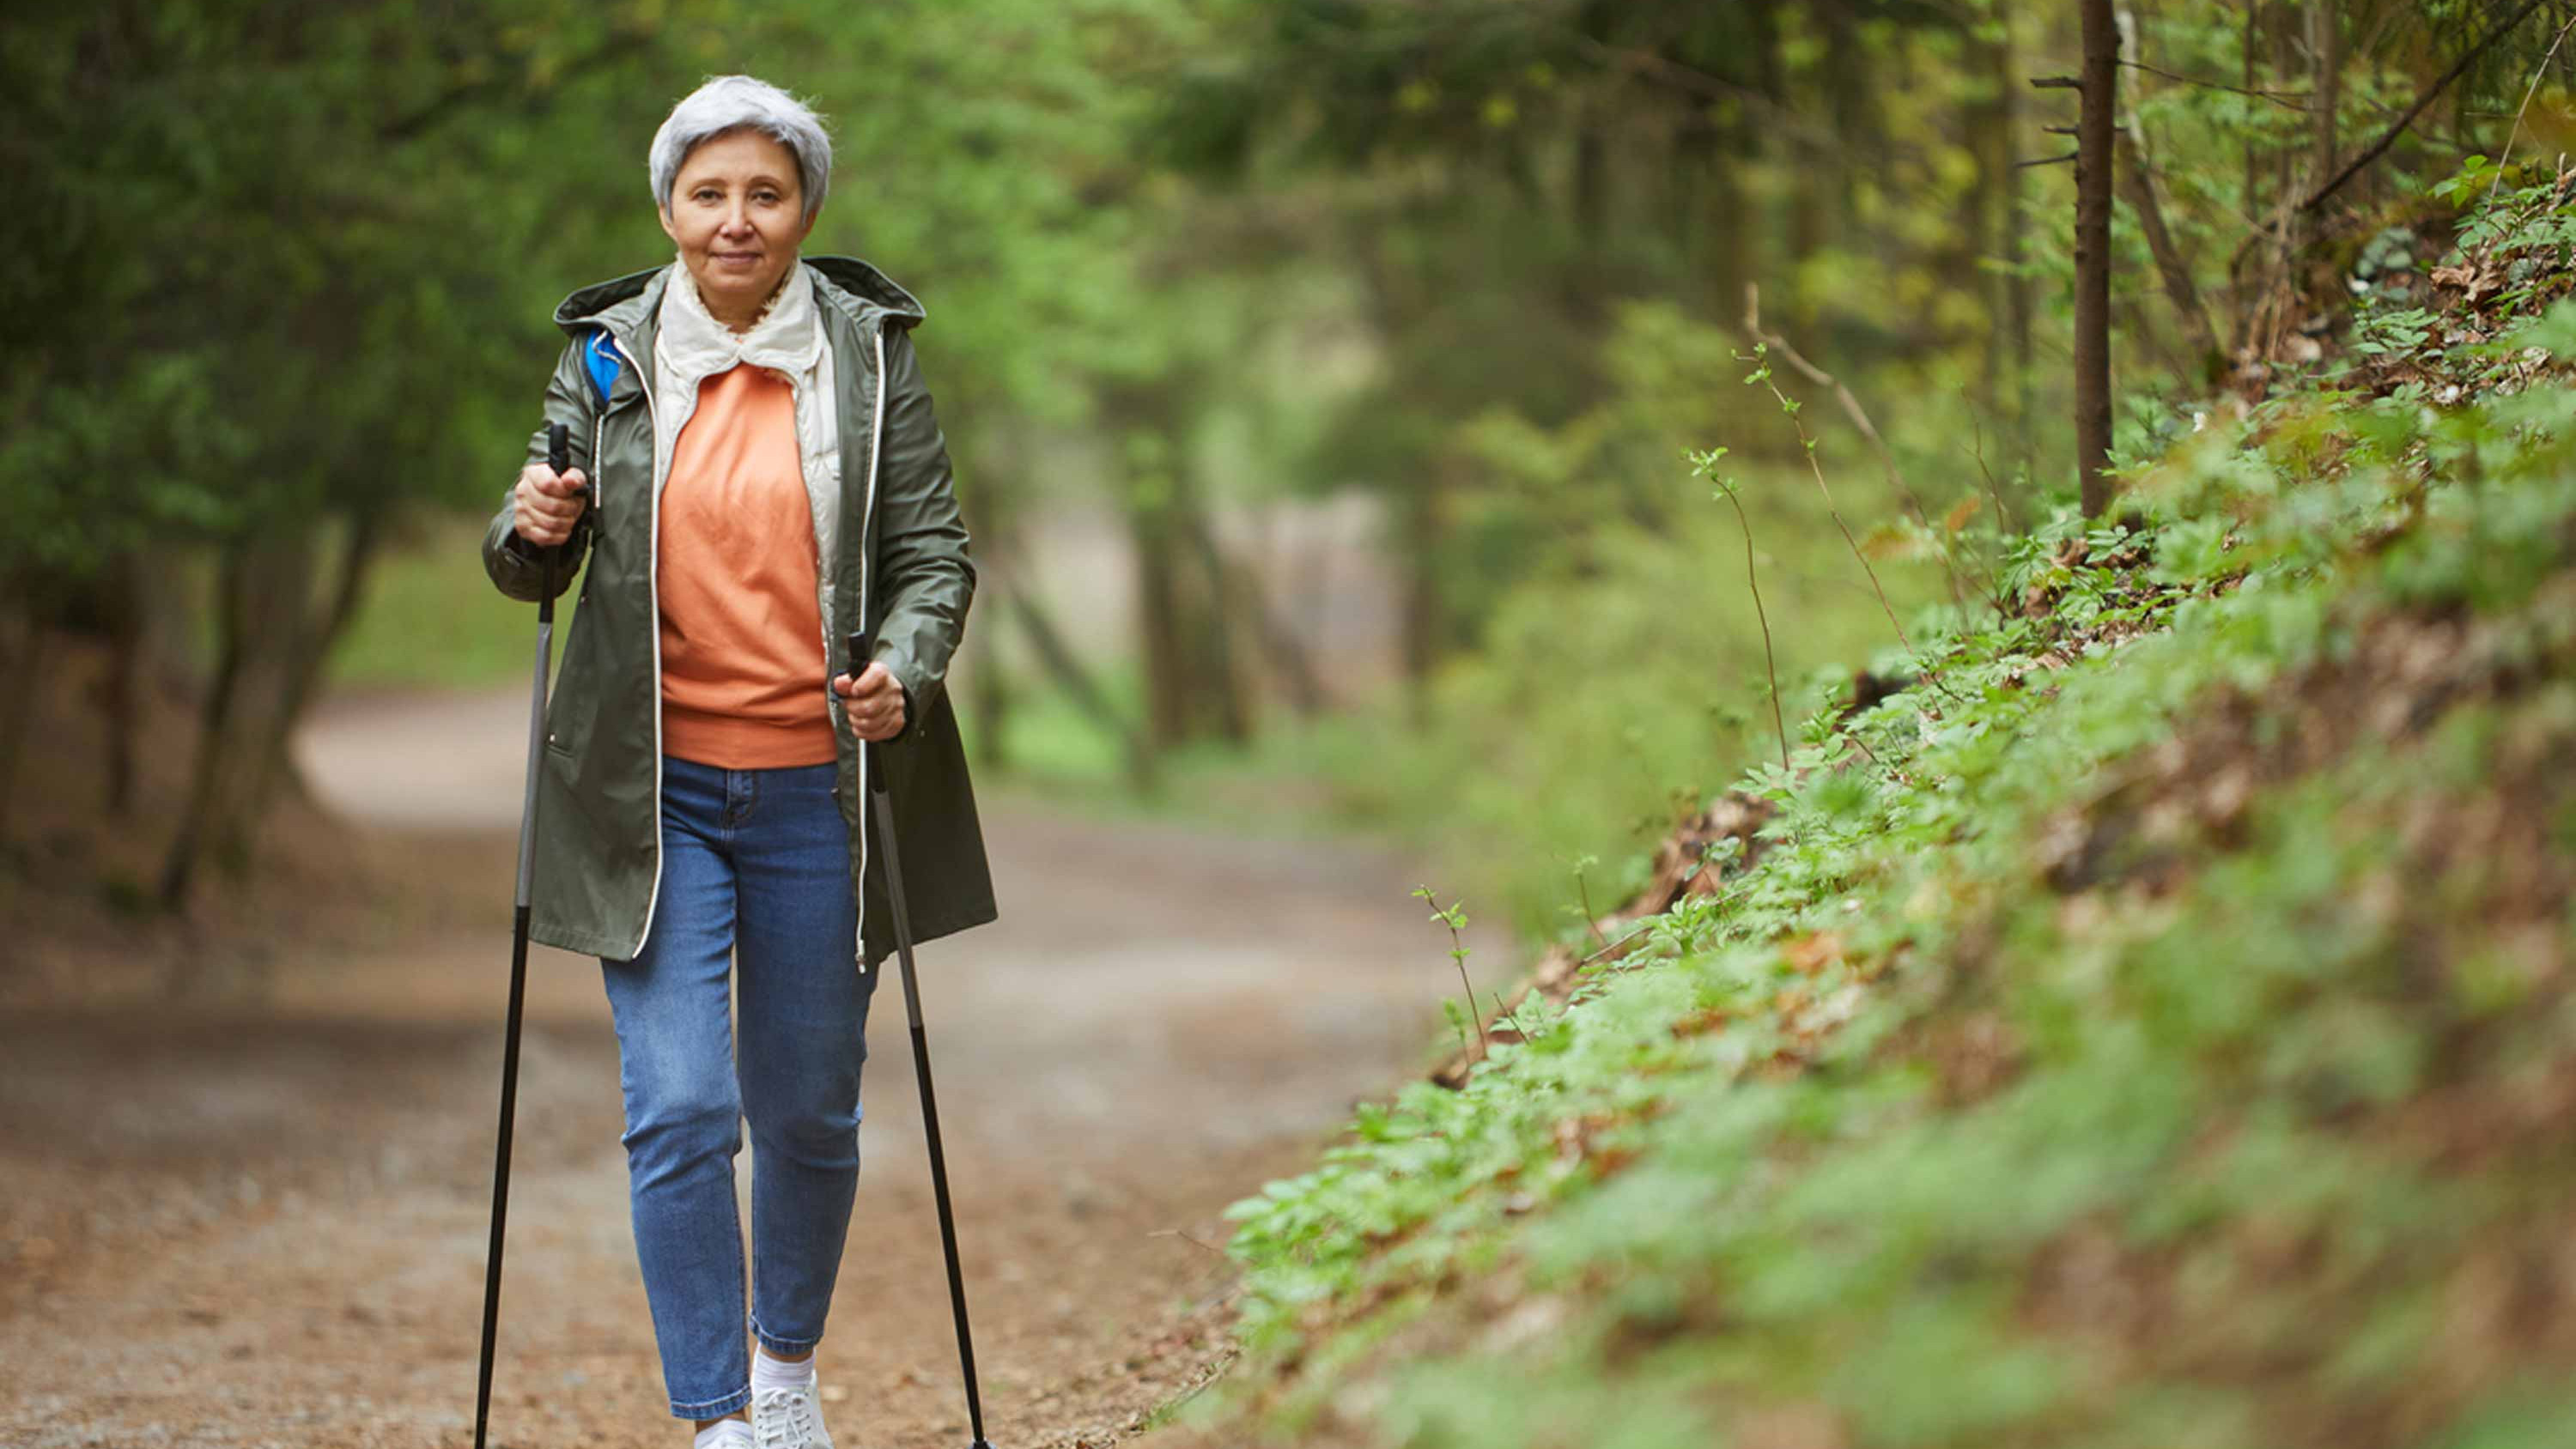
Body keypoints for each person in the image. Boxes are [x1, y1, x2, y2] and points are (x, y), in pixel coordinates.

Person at [479, 74, 998, 1449]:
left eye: (765, 193)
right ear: (667, 207)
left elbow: (935, 558)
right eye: (709, 193)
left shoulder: (867, 354)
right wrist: (532, 522)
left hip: (822, 793)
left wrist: (904, 663)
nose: (735, 220)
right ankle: (717, 1424)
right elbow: (531, 549)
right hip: (652, 798)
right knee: (684, 1109)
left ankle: (784, 1380)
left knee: (811, 1114)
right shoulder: (608, 356)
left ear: (806, 209)